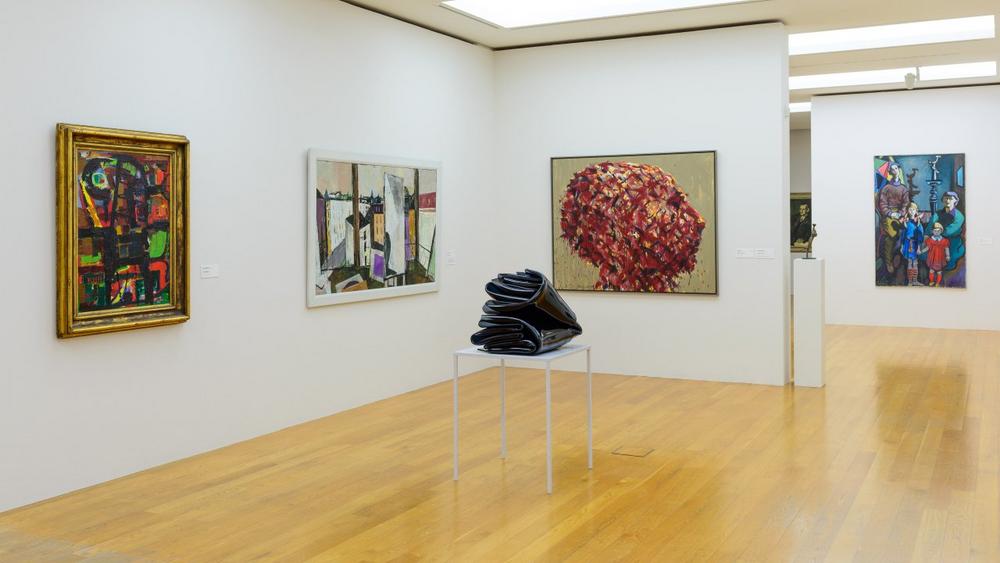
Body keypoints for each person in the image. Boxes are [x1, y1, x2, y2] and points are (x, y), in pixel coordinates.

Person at [877, 162, 910, 274]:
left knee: (908, 230)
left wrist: (901, 213)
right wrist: (891, 214)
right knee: (891, 235)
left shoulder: (903, 189)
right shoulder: (886, 188)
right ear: (890, 172)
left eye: (896, 168)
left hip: (901, 215)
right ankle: (888, 261)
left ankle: (903, 256)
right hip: (888, 215)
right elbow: (882, 205)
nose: (895, 170)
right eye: (893, 169)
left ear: (899, 170)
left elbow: (906, 204)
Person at [926, 191, 965, 271]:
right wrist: (927, 235)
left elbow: (949, 231)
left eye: (950, 199)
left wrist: (936, 229)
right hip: (936, 239)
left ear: (955, 201)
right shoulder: (938, 213)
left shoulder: (959, 216)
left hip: (953, 241)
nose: (947, 200)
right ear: (942, 200)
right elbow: (930, 226)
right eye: (946, 198)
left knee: (949, 261)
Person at [899, 202, 924, 286]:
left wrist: (919, 248)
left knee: (915, 262)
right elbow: (903, 235)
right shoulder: (906, 222)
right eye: (910, 209)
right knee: (910, 262)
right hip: (907, 244)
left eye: (913, 209)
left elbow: (920, 236)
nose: (912, 211)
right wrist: (902, 246)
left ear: (916, 211)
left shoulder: (918, 223)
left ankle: (915, 281)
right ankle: (910, 282)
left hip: (915, 245)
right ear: (907, 211)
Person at [921, 222, 950, 287]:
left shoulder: (944, 241)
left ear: (941, 231)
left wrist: (948, 255)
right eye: (935, 231)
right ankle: (932, 281)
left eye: (938, 231)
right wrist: (921, 251)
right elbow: (927, 248)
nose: (936, 232)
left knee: (939, 271)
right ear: (932, 231)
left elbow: (946, 248)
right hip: (932, 258)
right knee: (931, 270)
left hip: (940, 258)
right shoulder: (930, 240)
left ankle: (937, 282)